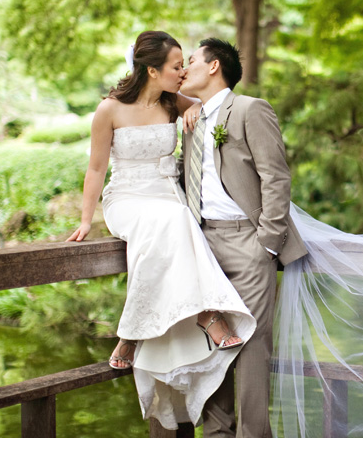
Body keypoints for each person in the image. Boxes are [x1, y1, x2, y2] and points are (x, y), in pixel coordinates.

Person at [65, 30, 256, 431]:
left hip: (168, 196)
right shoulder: (109, 110)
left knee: (175, 219)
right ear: (152, 70)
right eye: (175, 65)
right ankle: (206, 314)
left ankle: (133, 334)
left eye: (185, 62)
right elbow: (97, 168)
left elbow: (207, 108)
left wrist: (192, 112)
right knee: (174, 221)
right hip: (128, 199)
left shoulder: (175, 101)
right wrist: (86, 219)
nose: (183, 70)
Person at [179, 38, 308, 438]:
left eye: (192, 60)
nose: (185, 67)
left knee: (251, 343)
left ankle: (253, 439)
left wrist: (267, 243)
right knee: (210, 338)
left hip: (248, 242)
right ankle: (217, 437)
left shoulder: (251, 109)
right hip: (202, 244)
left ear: (214, 66)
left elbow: (276, 176)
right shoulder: (193, 118)